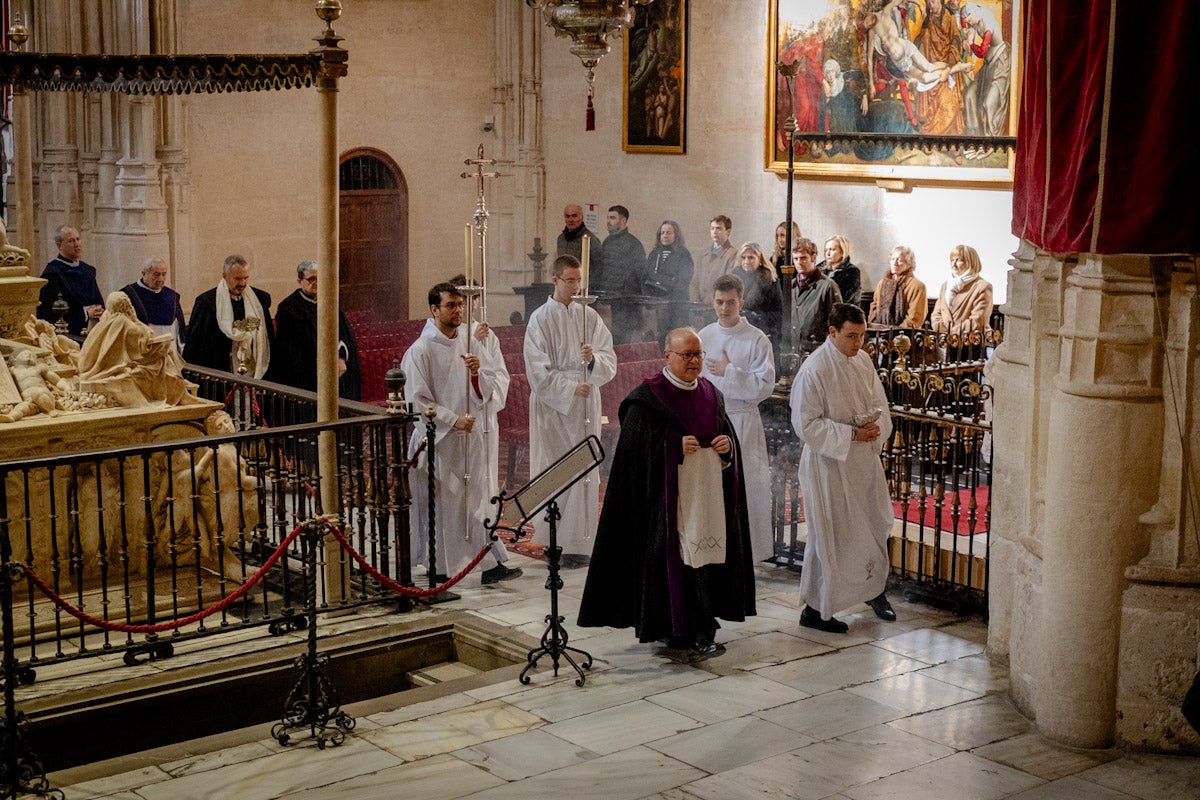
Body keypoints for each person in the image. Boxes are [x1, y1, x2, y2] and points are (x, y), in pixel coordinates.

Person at [577, 327, 756, 661]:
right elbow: (631, 449)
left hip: (706, 500)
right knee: (672, 564)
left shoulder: (709, 393)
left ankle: (703, 626)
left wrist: (726, 446)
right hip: (663, 504)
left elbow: (724, 435)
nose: (693, 361)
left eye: (698, 354)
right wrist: (671, 446)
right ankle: (672, 626)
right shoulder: (647, 398)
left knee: (704, 561)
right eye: (686, 355)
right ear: (667, 356)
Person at [402, 282, 521, 585]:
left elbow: (488, 384)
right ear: (434, 309)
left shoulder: (469, 340)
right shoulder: (421, 349)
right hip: (440, 440)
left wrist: (477, 372)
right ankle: (438, 570)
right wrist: (452, 420)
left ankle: (488, 563)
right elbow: (417, 400)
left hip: (470, 439)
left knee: (475, 501)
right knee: (443, 507)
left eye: (460, 305)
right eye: (450, 305)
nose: (458, 310)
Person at [789, 303, 896, 633]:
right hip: (829, 463)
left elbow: (879, 402)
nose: (858, 343)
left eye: (862, 335)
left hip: (863, 460)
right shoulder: (815, 369)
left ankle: (873, 590)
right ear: (831, 333)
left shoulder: (862, 360)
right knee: (830, 537)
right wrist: (851, 433)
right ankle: (815, 608)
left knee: (876, 524)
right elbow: (805, 424)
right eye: (851, 336)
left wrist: (877, 425)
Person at [523, 255, 617, 568]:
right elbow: (536, 369)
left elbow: (609, 360)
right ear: (555, 280)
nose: (575, 286)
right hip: (553, 405)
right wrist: (567, 388)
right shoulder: (540, 318)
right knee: (554, 467)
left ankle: (580, 542)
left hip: (586, 401)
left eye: (578, 280)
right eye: (569, 280)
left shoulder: (589, 317)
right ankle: (553, 538)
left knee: (584, 468)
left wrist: (591, 362)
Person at [699, 274, 777, 562]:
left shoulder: (756, 339)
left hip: (743, 421)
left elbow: (765, 386)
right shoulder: (704, 335)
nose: (724, 308)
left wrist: (729, 372)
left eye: (730, 302)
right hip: (709, 422)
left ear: (741, 302)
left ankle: (746, 553)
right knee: (711, 488)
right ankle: (711, 550)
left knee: (746, 486)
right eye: (719, 302)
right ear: (712, 301)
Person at [264, 260, 361, 400]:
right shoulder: (288, 309)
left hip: (333, 372)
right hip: (305, 373)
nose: (316, 283)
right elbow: (287, 349)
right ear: (299, 281)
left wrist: (340, 356)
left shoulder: (329, 302)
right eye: (311, 279)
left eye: (319, 279)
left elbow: (344, 334)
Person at [183, 255, 275, 378]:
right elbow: (197, 346)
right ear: (225, 276)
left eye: (245, 278)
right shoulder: (207, 303)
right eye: (237, 279)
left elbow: (267, 336)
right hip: (221, 371)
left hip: (253, 368)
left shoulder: (259, 300)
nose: (242, 283)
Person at [37, 224, 104, 338]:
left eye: (78, 239)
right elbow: (51, 312)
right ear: (59, 245)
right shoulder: (52, 273)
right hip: (69, 334)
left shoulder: (88, 270)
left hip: (95, 329)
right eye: (71, 241)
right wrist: (85, 313)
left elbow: (98, 300)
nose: (77, 244)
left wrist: (99, 311)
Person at [598, 205, 646, 344]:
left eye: (612, 218)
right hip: (610, 300)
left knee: (624, 341)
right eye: (608, 218)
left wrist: (626, 295)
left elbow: (639, 274)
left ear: (623, 221)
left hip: (627, 303)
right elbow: (604, 270)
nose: (608, 221)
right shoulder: (607, 242)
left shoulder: (633, 244)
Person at [121, 257, 187, 352]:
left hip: (170, 354)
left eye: (164, 274)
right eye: (156, 274)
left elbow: (179, 330)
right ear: (144, 273)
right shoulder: (128, 296)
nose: (160, 278)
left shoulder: (171, 296)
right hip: (142, 355)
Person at [642, 220, 693, 341]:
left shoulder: (683, 254)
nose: (665, 235)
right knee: (662, 337)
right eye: (662, 233)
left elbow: (684, 279)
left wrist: (667, 291)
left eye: (669, 233)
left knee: (678, 337)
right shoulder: (654, 254)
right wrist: (649, 297)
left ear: (676, 235)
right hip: (659, 305)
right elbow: (646, 276)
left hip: (677, 304)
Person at [791, 237, 843, 358]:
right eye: (796, 258)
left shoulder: (828, 286)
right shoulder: (791, 286)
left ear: (813, 257)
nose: (799, 262)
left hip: (818, 352)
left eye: (803, 258)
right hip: (794, 352)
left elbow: (837, 323)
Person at [930, 244, 994, 335]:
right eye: (952, 260)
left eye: (958, 260)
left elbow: (978, 321)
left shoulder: (983, 286)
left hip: (971, 343)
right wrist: (944, 333)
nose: (953, 264)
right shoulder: (946, 285)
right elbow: (936, 315)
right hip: (944, 341)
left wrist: (952, 333)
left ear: (970, 262)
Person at [733, 242, 784, 349]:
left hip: (764, 332)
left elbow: (779, 312)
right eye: (743, 257)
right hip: (738, 333)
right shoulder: (734, 279)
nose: (747, 261)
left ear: (759, 259)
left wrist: (757, 317)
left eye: (751, 257)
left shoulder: (770, 279)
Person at [867, 245, 928, 329]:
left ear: (909, 264)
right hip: (879, 333)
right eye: (892, 259)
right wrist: (875, 328)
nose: (895, 263)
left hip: (905, 336)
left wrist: (896, 333)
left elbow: (914, 318)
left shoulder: (917, 286)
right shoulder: (882, 283)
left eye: (900, 260)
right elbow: (874, 308)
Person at [689, 215, 737, 303]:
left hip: (717, 305)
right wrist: (695, 302)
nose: (715, 232)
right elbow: (694, 282)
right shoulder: (703, 253)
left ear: (728, 232)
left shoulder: (733, 254)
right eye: (712, 228)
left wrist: (707, 302)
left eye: (719, 229)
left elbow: (727, 285)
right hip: (697, 307)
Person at [556, 203, 602, 274]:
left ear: (581, 217)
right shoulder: (561, 239)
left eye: (574, 216)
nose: (570, 220)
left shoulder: (591, 240)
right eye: (567, 216)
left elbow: (598, 268)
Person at [818, 235, 862, 309]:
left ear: (842, 252)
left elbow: (844, 298)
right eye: (826, 250)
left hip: (842, 313)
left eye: (832, 249)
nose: (828, 253)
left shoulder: (851, 271)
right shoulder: (819, 269)